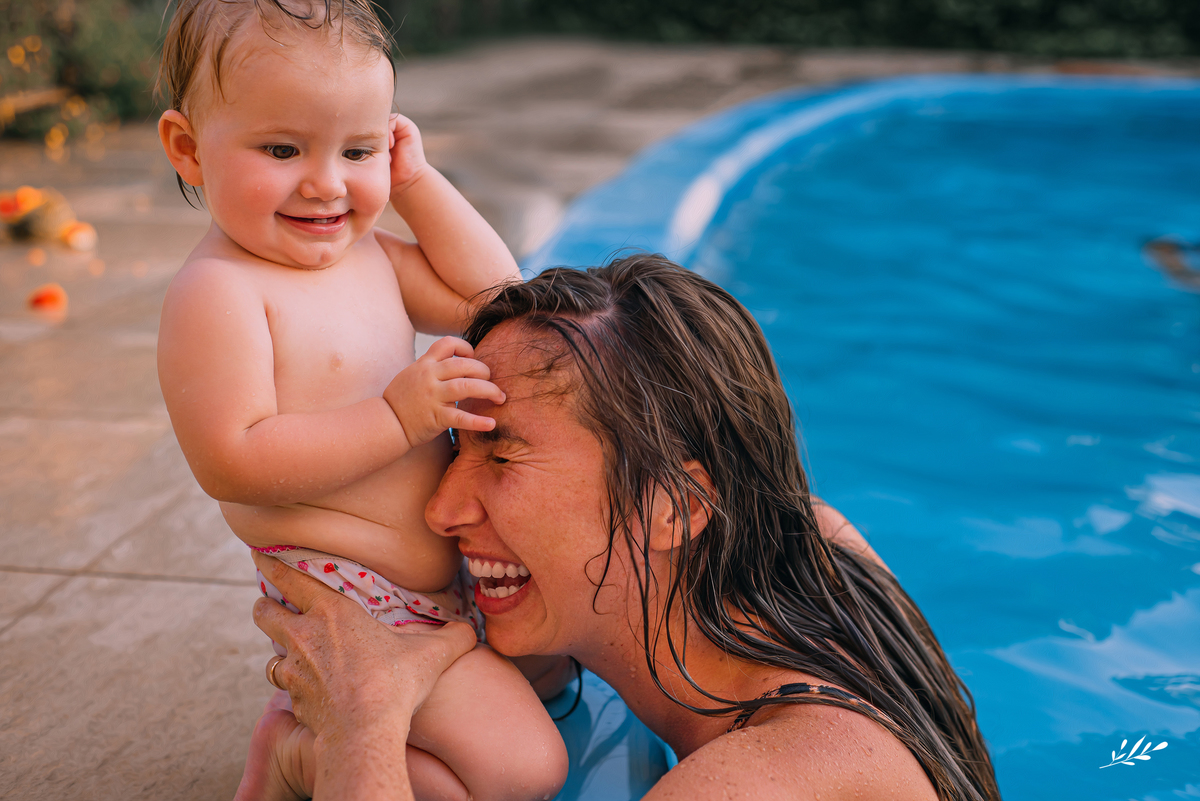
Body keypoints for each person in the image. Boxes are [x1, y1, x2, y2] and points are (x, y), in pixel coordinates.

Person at [251, 254, 1003, 801]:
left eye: (502, 454)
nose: (440, 510)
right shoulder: (817, 545)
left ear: (675, 504)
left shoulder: (754, 779)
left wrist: (362, 726)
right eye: (455, 449)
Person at [154, 1, 566, 799]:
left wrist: (414, 183)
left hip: (442, 588)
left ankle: (317, 735)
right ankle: (300, 753)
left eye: (358, 149)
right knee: (527, 768)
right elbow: (233, 459)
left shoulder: (368, 252)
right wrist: (396, 417)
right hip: (357, 599)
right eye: (282, 148)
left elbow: (499, 298)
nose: (326, 183)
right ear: (188, 148)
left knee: (543, 687)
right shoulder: (219, 292)